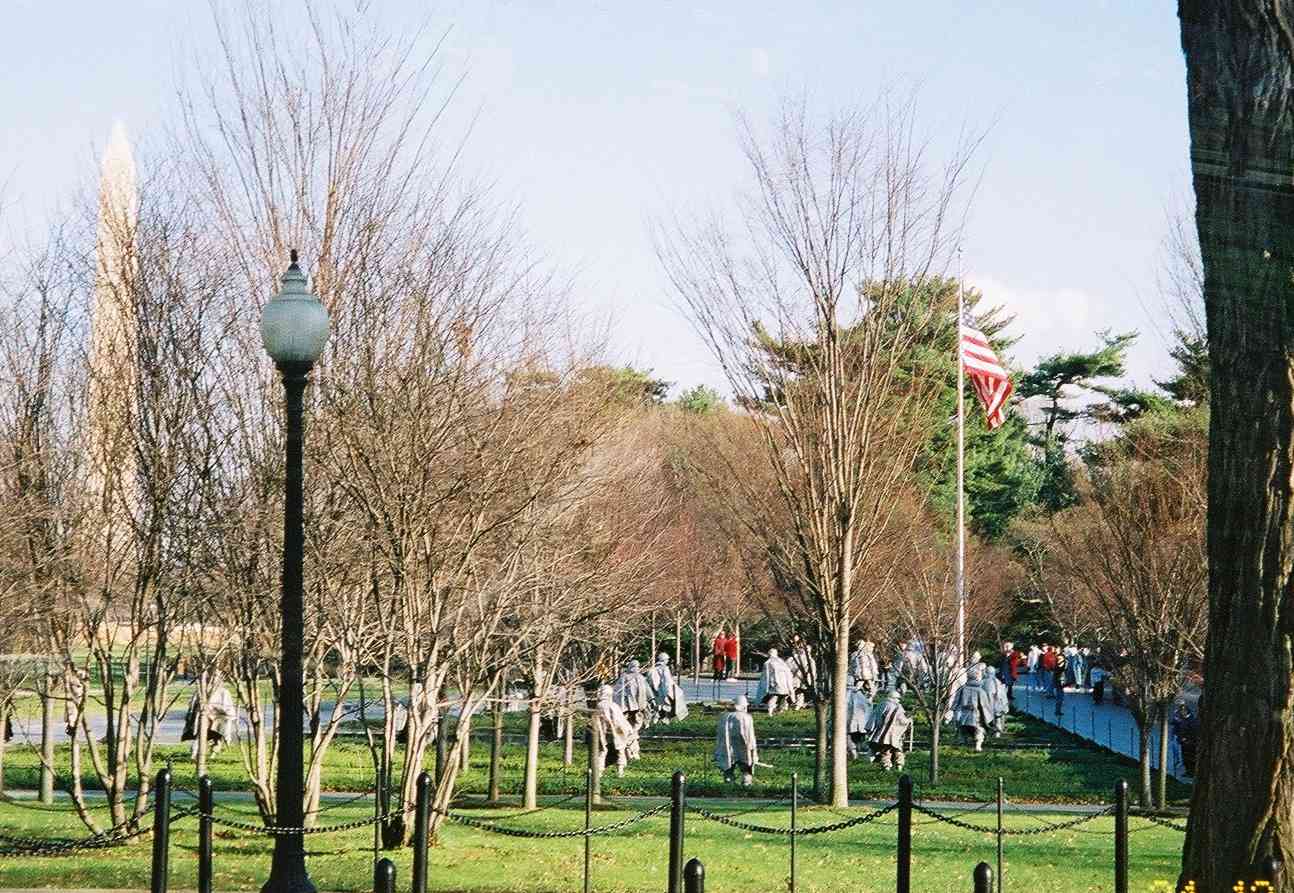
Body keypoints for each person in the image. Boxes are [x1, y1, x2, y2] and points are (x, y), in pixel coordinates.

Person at [182, 674, 237, 759]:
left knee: (218, 736)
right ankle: (194, 753)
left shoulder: (224, 692)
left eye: (216, 678)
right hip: (204, 717)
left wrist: (215, 710)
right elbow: (193, 705)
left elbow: (228, 709)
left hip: (219, 718)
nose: (213, 680)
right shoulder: (202, 691)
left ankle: (213, 753)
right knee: (200, 735)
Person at [593, 684, 637, 777]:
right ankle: (620, 771)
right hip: (615, 731)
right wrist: (628, 729)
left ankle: (599, 772)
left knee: (602, 750)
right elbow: (620, 720)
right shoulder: (613, 705)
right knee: (620, 750)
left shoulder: (598, 705)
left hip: (602, 731)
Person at [714, 695, 759, 785]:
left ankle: (729, 784)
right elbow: (749, 735)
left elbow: (720, 734)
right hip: (743, 746)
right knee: (746, 767)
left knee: (728, 767)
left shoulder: (724, 717)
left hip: (726, 747)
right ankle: (746, 783)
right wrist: (752, 749)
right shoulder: (746, 717)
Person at [867, 688, 912, 770]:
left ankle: (887, 768)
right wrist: (909, 720)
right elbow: (903, 721)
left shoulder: (881, 705)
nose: (898, 700)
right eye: (897, 698)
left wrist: (870, 729)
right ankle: (899, 767)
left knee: (885, 751)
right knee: (898, 751)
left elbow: (874, 718)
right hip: (895, 735)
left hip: (881, 734)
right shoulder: (899, 707)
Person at [614, 660, 652, 754]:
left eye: (637, 666)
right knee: (628, 726)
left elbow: (647, 689)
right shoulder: (624, 677)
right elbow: (619, 692)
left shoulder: (641, 677)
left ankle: (631, 746)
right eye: (634, 666)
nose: (636, 668)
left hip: (639, 707)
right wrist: (622, 706)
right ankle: (629, 747)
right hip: (627, 708)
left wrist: (652, 699)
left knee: (636, 726)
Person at [953, 666, 994, 752]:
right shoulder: (981, 691)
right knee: (979, 730)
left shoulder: (962, 689)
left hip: (963, 715)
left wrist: (955, 711)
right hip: (976, 715)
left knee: (962, 731)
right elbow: (985, 706)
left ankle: (962, 742)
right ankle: (978, 746)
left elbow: (956, 702)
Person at [647, 653, 689, 724]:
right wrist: (670, 692)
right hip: (665, 691)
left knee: (659, 706)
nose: (668, 661)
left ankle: (657, 721)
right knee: (669, 706)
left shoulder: (653, 669)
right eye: (667, 659)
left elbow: (651, 681)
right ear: (664, 660)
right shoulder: (665, 669)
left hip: (657, 692)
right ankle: (665, 720)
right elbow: (667, 681)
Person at [754, 648, 797, 715]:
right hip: (784, 685)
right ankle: (780, 710)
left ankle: (770, 711)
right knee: (783, 697)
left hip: (774, 684)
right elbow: (788, 673)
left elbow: (765, 676)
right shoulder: (781, 662)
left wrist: (765, 686)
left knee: (774, 697)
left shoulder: (767, 663)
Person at [845, 677, 874, 759]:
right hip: (860, 724)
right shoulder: (860, 695)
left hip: (849, 724)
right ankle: (854, 753)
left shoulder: (844, 695)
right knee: (855, 738)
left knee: (849, 737)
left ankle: (854, 754)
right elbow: (868, 708)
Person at [788, 635, 816, 709]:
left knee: (800, 691)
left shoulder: (809, 659)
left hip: (802, 677)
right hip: (797, 677)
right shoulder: (795, 657)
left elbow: (812, 669)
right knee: (796, 690)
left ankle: (798, 704)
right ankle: (796, 704)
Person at [986, 667, 1010, 737]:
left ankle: (993, 732)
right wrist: (1005, 706)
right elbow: (1002, 695)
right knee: (997, 718)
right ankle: (997, 732)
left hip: (987, 705)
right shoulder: (997, 682)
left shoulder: (983, 682)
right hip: (996, 704)